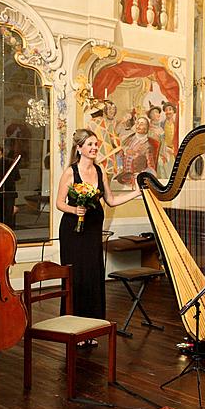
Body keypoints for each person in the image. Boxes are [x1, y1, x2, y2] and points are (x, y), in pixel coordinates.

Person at [56, 129, 140, 345]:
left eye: (96, 144)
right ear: (79, 148)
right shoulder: (70, 172)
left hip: (93, 228)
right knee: (76, 276)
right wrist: (75, 210)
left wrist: (138, 193)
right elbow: (59, 203)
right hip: (72, 230)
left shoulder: (101, 171)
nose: (94, 148)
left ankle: (90, 329)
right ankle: (73, 330)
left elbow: (111, 200)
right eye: (90, 144)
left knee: (93, 274)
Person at [0, 144, 21, 227]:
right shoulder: (12, 162)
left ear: (0, 152)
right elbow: (17, 177)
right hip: (10, 193)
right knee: (8, 218)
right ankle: (8, 234)